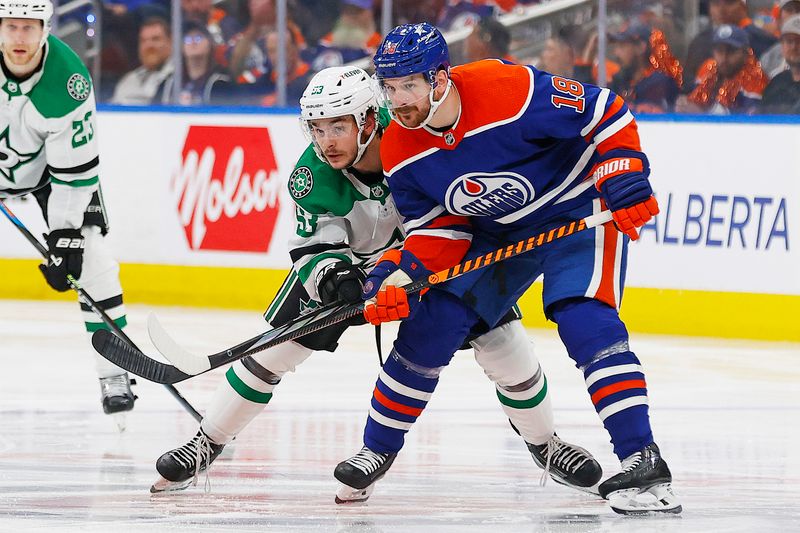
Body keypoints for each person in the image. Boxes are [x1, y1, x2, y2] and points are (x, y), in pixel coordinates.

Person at [152, 66, 602, 497]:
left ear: (368, 119)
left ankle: (545, 445)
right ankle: (205, 443)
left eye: (337, 127)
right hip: (356, 267)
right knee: (275, 350)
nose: (326, 142)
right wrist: (334, 279)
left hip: (435, 262)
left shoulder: (415, 141)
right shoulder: (312, 177)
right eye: (318, 128)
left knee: (506, 348)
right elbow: (313, 250)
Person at [333, 23, 681, 515]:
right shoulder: (399, 148)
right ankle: (376, 450)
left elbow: (604, 112)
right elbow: (438, 232)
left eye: (408, 85)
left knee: (584, 319)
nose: (398, 100)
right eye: (389, 89)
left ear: (439, 78)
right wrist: (400, 276)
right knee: (431, 322)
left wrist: (623, 168)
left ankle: (644, 461)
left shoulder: (508, 89)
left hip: (577, 211)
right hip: (495, 230)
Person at [0, 0, 135, 418]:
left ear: (45, 28)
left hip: (48, 178)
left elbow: (74, 174)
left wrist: (64, 237)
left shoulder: (68, 80)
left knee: (91, 259)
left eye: (29, 27)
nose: (19, 37)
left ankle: (114, 371)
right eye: (10, 26)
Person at [679, 24, 768, 115]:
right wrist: (683, 103)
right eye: (719, 51)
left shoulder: (756, 79)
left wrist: (702, 114)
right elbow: (692, 99)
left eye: (731, 51)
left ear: (745, 54)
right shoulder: (708, 67)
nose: (724, 58)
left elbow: (747, 122)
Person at [608, 23, 682, 113]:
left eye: (622, 46)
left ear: (640, 47)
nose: (616, 53)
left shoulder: (659, 83)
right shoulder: (619, 81)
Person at [110, 16, 173, 105]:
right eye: (143, 41)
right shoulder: (129, 80)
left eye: (155, 39)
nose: (149, 46)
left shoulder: (181, 78)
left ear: (170, 42)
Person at [761, 14, 800, 113]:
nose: (794, 47)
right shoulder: (776, 82)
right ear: (781, 45)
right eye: (789, 41)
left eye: (799, 41)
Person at [759, 0, 800, 79]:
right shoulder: (770, 57)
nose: (795, 13)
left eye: (798, 9)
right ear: (779, 20)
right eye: (789, 9)